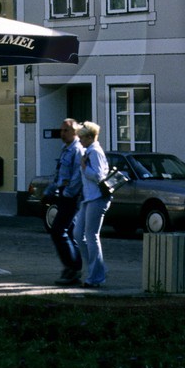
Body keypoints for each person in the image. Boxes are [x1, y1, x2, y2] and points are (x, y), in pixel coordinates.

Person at [45, 118, 85, 283]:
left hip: (71, 196)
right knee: (68, 232)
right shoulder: (65, 149)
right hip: (63, 194)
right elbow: (60, 173)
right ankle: (73, 267)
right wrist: (50, 190)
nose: (62, 134)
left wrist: (68, 193)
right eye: (61, 130)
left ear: (75, 132)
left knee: (58, 230)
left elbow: (78, 176)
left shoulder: (78, 150)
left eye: (66, 130)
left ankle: (73, 268)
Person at [75, 121, 112, 288]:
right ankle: (99, 267)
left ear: (90, 137)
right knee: (77, 234)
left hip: (97, 198)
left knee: (91, 236)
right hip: (88, 198)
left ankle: (95, 277)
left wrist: (84, 168)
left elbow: (98, 175)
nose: (79, 140)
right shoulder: (88, 151)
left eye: (81, 137)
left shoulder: (95, 152)